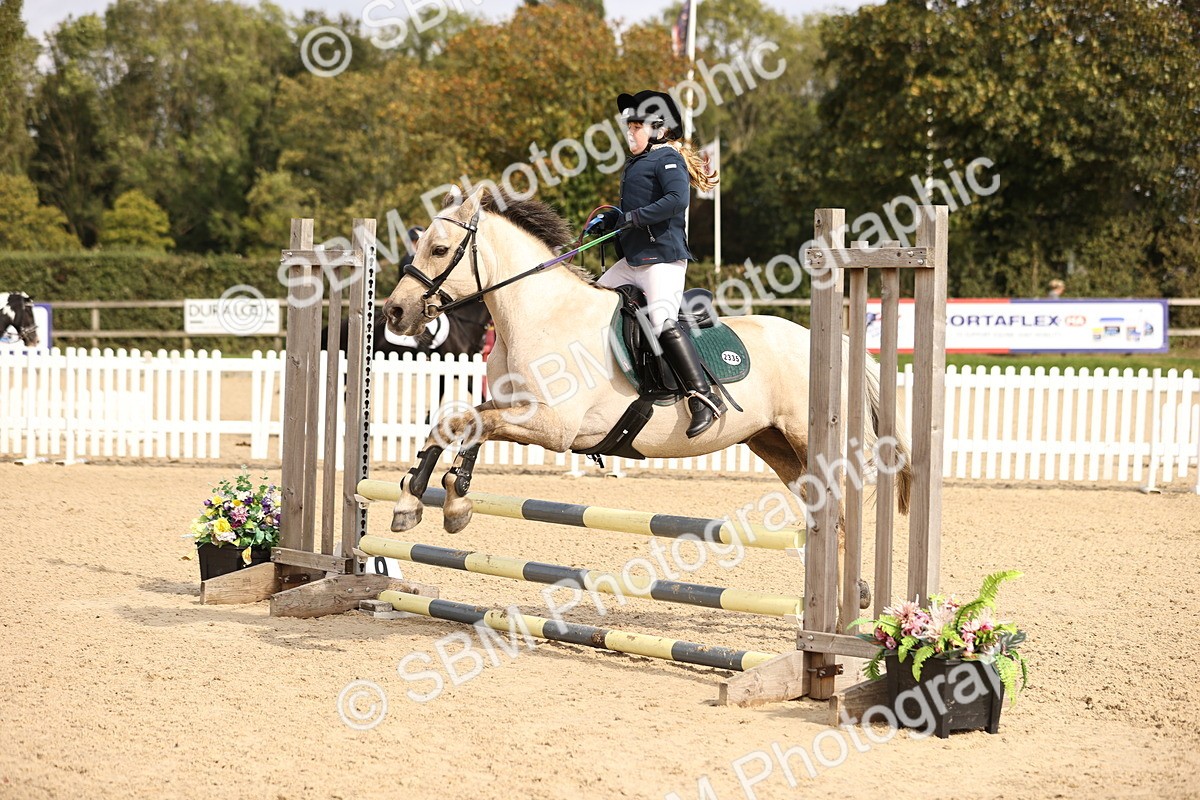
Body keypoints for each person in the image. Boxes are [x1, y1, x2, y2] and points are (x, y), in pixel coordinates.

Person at [586, 90, 723, 438]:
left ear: (659, 129)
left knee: (662, 321)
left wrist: (634, 217)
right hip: (632, 261)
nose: (630, 133)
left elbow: (678, 200)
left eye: (637, 127)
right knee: (591, 302)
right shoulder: (636, 162)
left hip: (663, 260)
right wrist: (612, 221)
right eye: (628, 127)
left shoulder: (667, 159)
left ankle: (704, 397)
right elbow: (633, 211)